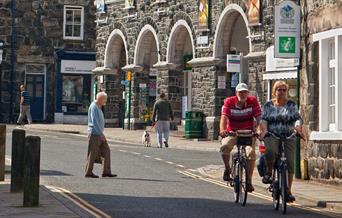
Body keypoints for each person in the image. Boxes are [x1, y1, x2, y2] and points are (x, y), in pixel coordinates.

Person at [259, 81, 303, 202]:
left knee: (290, 162)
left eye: (284, 90)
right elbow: (263, 120)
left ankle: (288, 191)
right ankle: (269, 172)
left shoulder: (291, 105)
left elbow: (297, 119)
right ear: (274, 91)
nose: (282, 92)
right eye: (279, 90)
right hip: (272, 134)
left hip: (289, 135)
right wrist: (264, 131)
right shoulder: (268, 105)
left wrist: (298, 128)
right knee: (271, 151)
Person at [219, 83, 262, 192]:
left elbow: (259, 118)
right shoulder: (229, 102)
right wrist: (223, 130)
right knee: (224, 146)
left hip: (248, 133)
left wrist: (259, 130)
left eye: (244, 92)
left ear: (248, 93)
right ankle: (227, 169)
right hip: (232, 132)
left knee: (251, 154)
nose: (242, 94)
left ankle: (248, 182)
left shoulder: (253, 101)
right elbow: (224, 118)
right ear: (236, 93)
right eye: (240, 92)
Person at [85, 92, 116, 178]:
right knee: (92, 153)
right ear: (100, 99)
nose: (105, 101)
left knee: (106, 151)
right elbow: (95, 122)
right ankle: (88, 172)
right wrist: (100, 133)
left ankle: (106, 171)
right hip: (95, 133)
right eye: (104, 99)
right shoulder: (94, 107)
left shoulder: (98, 106)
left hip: (98, 133)